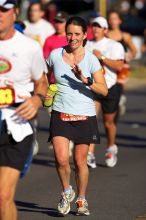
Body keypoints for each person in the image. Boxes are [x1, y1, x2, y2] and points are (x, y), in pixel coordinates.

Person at [45, 16, 108, 216]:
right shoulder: (55, 55)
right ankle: (67, 190)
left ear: (84, 35)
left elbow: (104, 90)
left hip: (84, 114)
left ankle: (81, 199)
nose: (72, 38)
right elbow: (46, 75)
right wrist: (49, 90)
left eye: (77, 34)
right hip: (60, 111)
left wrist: (86, 80)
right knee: (61, 158)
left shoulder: (91, 59)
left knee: (80, 161)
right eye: (69, 33)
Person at [0, 1, 48, 220]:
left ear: (15, 12)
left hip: (16, 124)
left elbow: (42, 82)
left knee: (3, 196)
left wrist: (37, 100)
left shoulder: (29, 47)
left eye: (4, 9)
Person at [86, 16, 125, 168]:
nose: (95, 29)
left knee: (108, 123)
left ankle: (111, 148)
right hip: (93, 87)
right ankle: (90, 153)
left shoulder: (114, 45)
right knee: (92, 121)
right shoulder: (86, 44)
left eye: (98, 26)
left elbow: (119, 66)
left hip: (110, 87)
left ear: (105, 30)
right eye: (93, 26)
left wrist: (101, 57)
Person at [107, 10, 137, 116]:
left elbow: (134, 50)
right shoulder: (105, 35)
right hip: (107, 65)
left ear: (119, 21)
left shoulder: (125, 36)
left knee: (118, 86)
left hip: (122, 66)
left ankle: (120, 99)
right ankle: (113, 103)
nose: (112, 21)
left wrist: (129, 56)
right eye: (110, 19)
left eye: (115, 19)